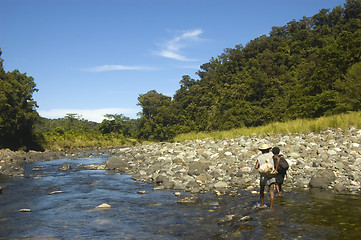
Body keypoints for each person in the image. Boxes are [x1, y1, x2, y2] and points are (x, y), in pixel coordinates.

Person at [254, 144, 276, 209]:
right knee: (271, 192)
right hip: (271, 175)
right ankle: (271, 207)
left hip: (263, 176)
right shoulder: (272, 155)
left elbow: (256, 166)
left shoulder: (259, 157)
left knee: (262, 191)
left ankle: (262, 205)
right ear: (269, 149)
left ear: (261, 150)